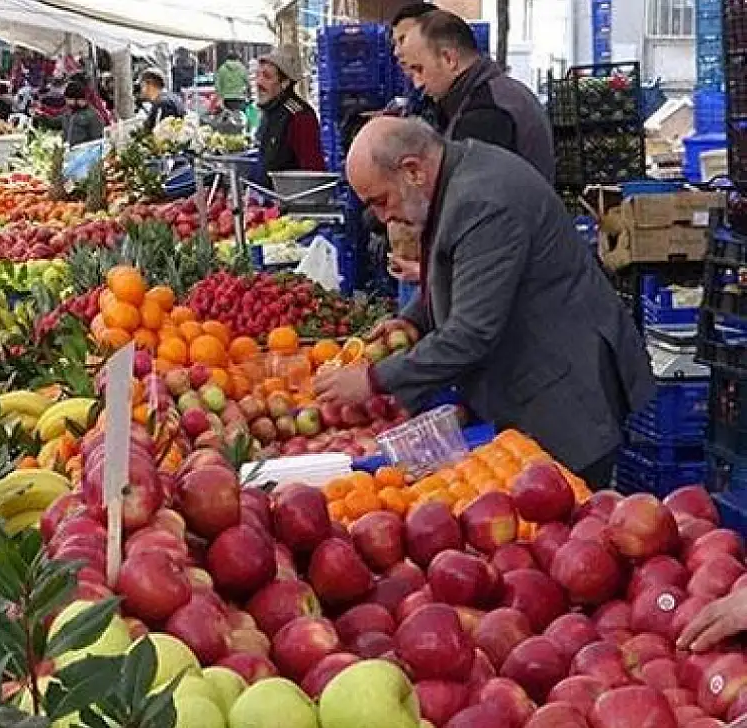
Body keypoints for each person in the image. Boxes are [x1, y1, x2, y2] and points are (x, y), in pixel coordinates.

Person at [314, 117, 653, 486]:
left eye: (380, 201)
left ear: (412, 170)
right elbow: (459, 277)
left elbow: (472, 332)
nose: (381, 217)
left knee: (565, 519)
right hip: (534, 381)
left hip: (561, 396)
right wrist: (414, 320)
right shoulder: (455, 178)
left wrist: (374, 378)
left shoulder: (482, 201)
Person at [397, 9, 554, 181]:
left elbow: (473, 195)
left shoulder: (486, 112)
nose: (417, 83)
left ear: (449, 59)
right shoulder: (497, 92)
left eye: (419, 69)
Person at [255, 49, 326, 177]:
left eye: (266, 77)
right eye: (257, 75)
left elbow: (313, 172)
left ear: (285, 83)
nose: (258, 82)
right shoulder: (270, 111)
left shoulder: (300, 117)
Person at [38, 80, 103, 146]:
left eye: (68, 99)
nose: (66, 101)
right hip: (69, 152)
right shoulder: (68, 113)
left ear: (76, 99)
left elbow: (98, 140)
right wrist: (40, 117)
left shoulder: (91, 116)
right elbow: (54, 123)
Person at [139, 68, 183, 133]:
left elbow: (161, 135)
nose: (141, 90)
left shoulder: (163, 103)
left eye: (142, 86)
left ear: (149, 85)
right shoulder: (171, 98)